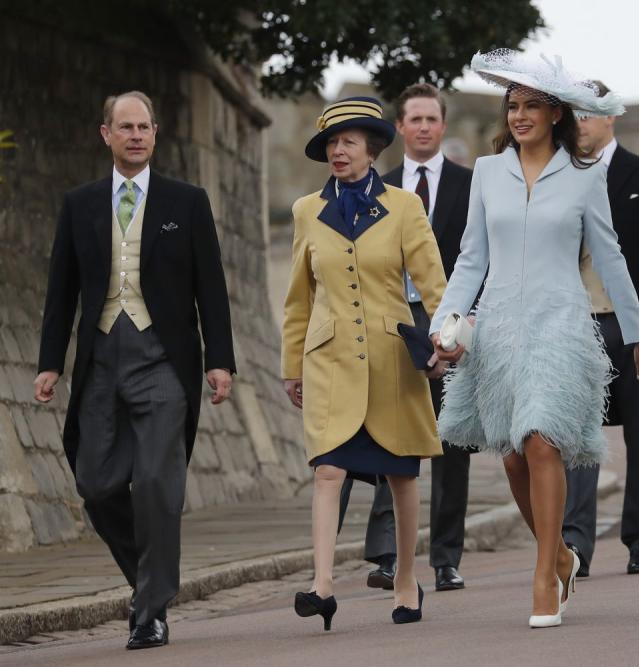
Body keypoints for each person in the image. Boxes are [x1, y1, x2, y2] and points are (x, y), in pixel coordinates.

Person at [431, 50, 639, 628]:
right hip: (498, 329)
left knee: (542, 440)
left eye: (532, 106)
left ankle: (543, 575)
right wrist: (444, 323)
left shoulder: (585, 175)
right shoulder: (487, 172)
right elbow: (471, 258)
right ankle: (565, 556)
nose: (520, 115)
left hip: (560, 324)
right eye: (513, 106)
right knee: (515, 459)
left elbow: (610, 256)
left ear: (556, 114)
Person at [34, 91, 236, 650]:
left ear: (155, 133)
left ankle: (150, 611)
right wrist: (51, 362)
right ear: (106, 134)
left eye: (144, 126)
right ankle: (148, 579)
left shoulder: (186, 202)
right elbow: (61, 290)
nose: (136, 135)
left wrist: (220, 359)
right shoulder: (80, 204)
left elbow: (211, 289)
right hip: (101, 359)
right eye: (125, 127)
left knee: (154, 484)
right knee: (96, 485)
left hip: (164, 362)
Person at [281, 96, 448, 628]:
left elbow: (433, 284)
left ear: (372, 148)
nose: (338, 151)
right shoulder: (307, 211)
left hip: (392, 360)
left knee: (401, 475)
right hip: (330, 363)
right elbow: (298, 298)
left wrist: (445, 341)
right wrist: (291, 365)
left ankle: (404, 579)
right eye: (331, 143)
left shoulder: (404, 207)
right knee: (328, 470)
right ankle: (323, 585)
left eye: (348, 141)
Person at [338, 83, 474, 594]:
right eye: (412, 118)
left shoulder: (469, 183)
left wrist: (463, 325)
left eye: (430, 119)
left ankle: (445, 558)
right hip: (390, 322)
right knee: (389, 431)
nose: (421, 127)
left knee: (451, 439)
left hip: (449, 320)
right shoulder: (378, 186)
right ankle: (390, 554)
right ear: (399, 128)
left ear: (442, 125)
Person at [564, 80, 639, 578]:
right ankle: (576, 543)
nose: (580, 122)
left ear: (611, 117)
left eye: (589, 112)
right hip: (574, 324)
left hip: (631, 326)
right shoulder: (557, 176)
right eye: (573, 113)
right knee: (578, 436)